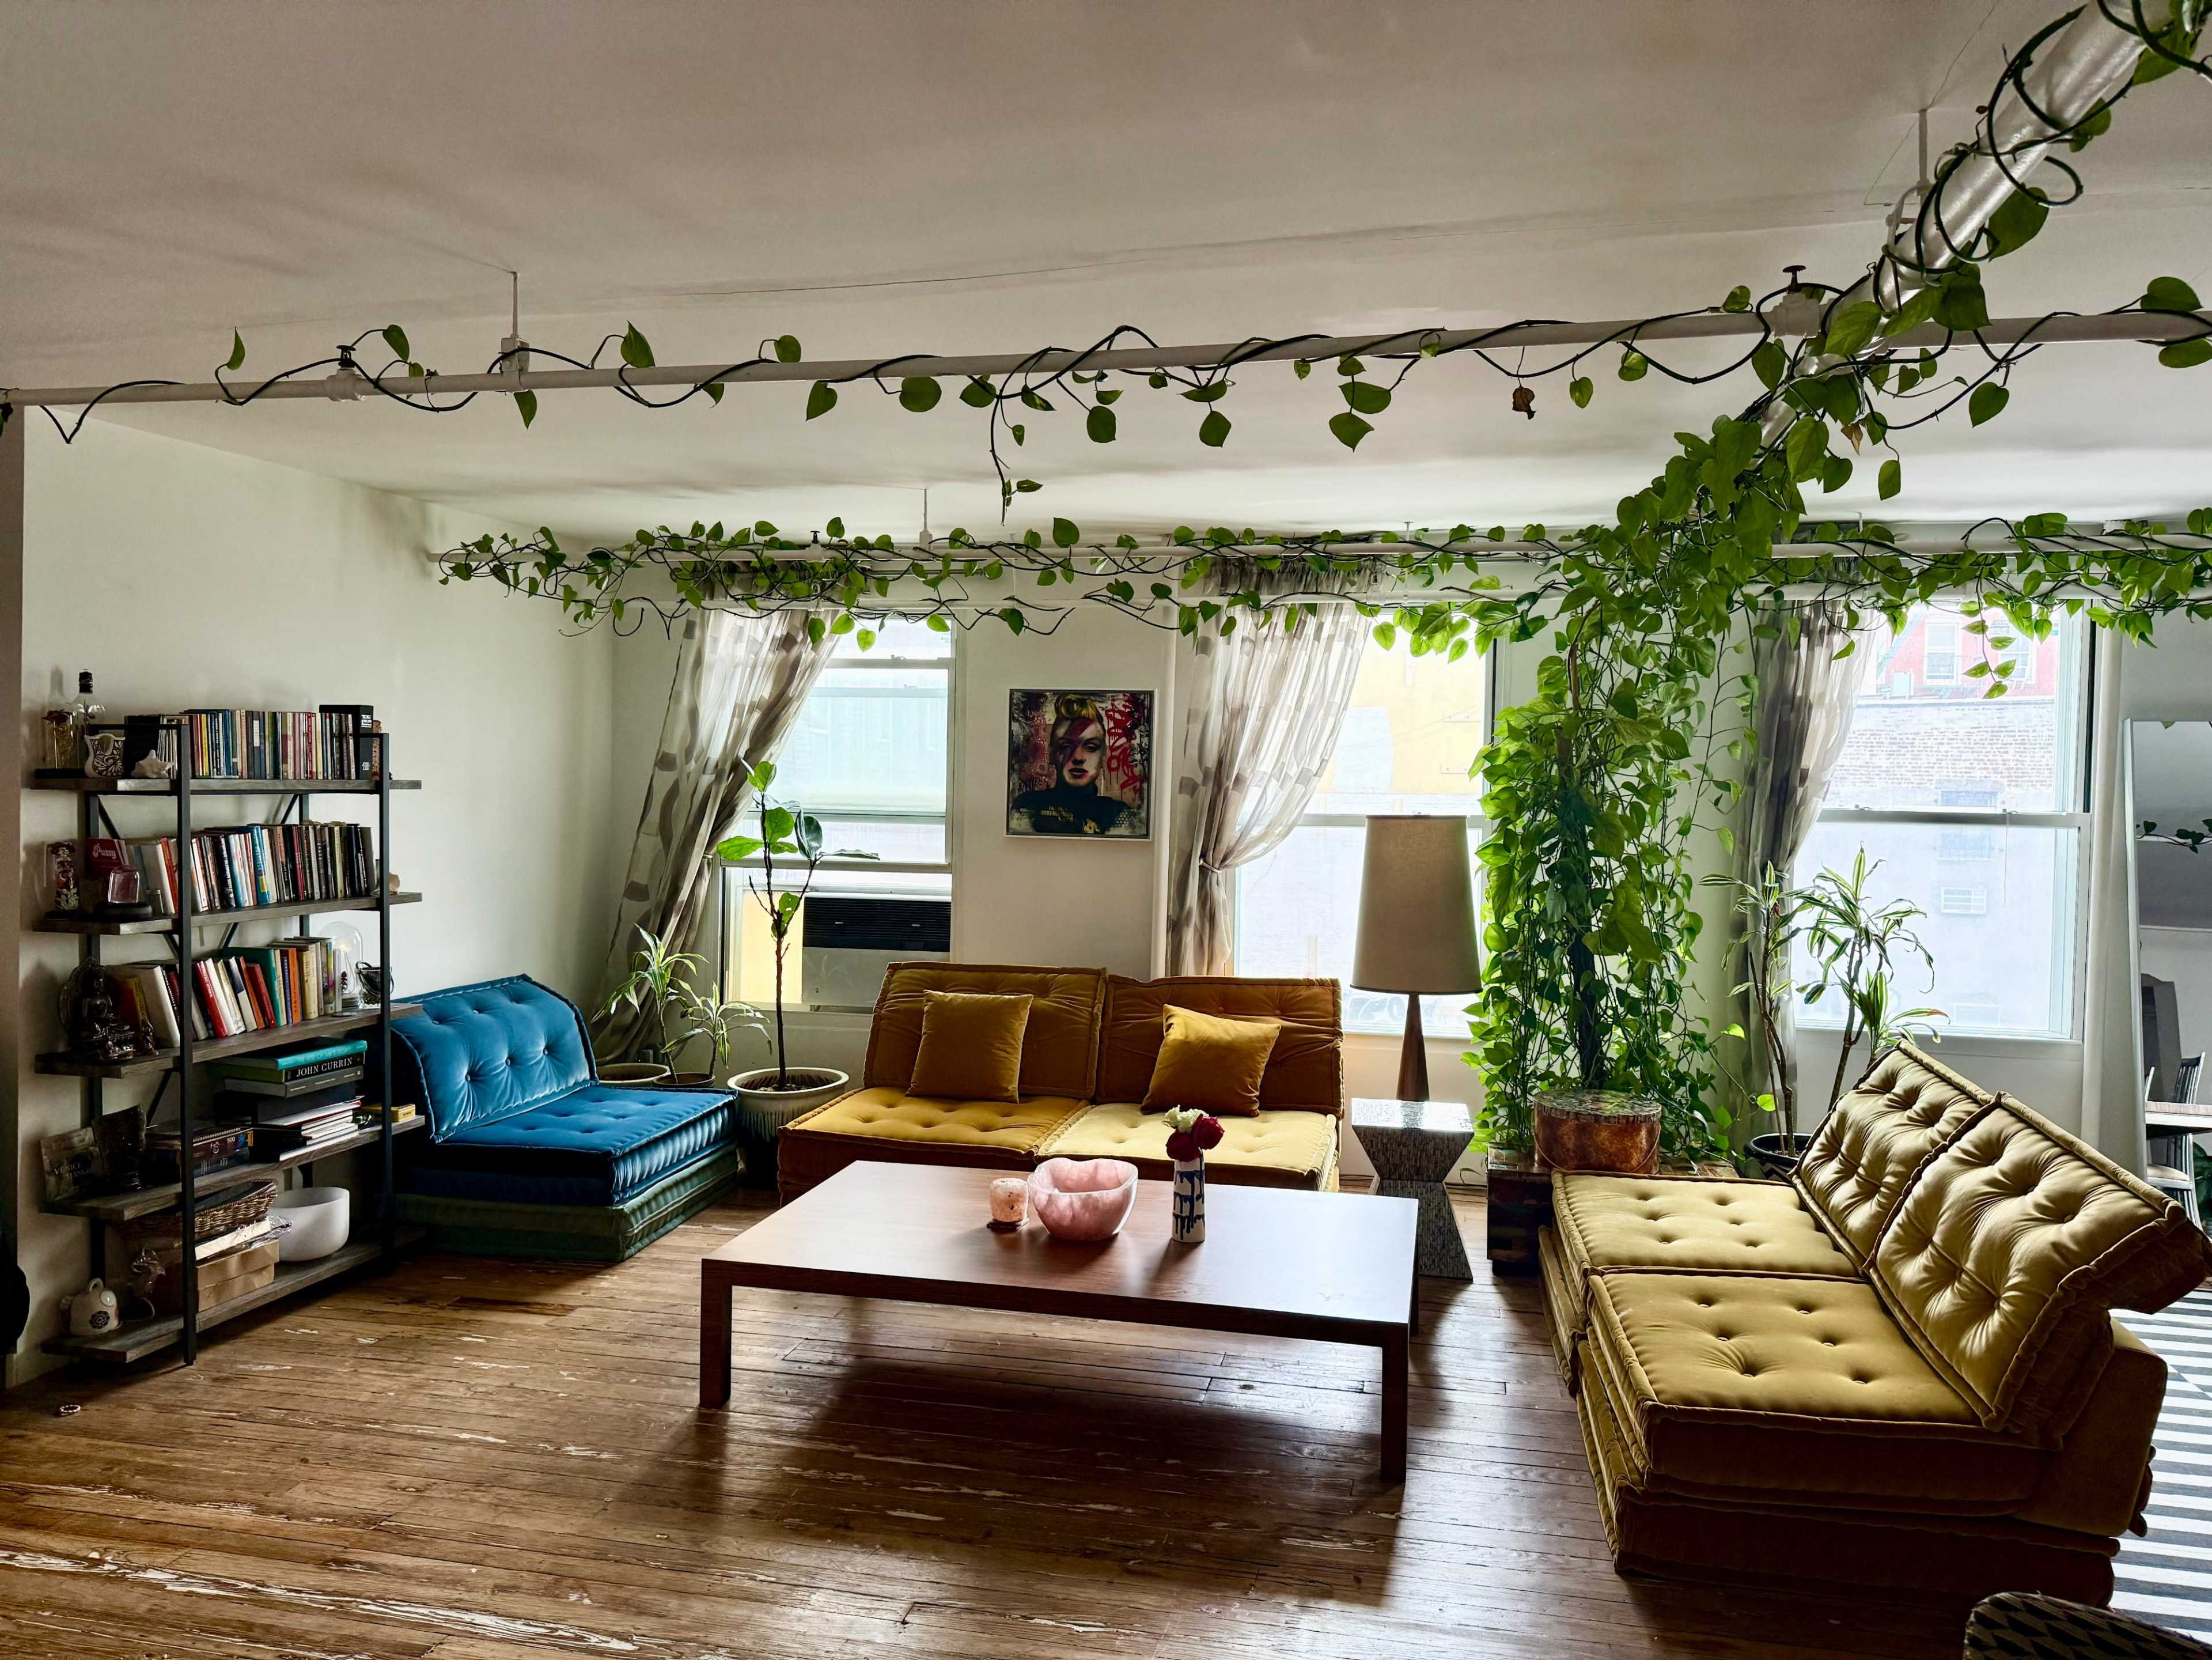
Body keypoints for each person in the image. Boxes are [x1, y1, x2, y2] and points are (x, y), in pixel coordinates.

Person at [1010, 694, 1133, 835]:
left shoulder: (1120, 816)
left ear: (1103, 757)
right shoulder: (1027, 808)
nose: (1078, 757)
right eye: (1066, 747)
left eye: (1091, 747)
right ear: (1051, 754)